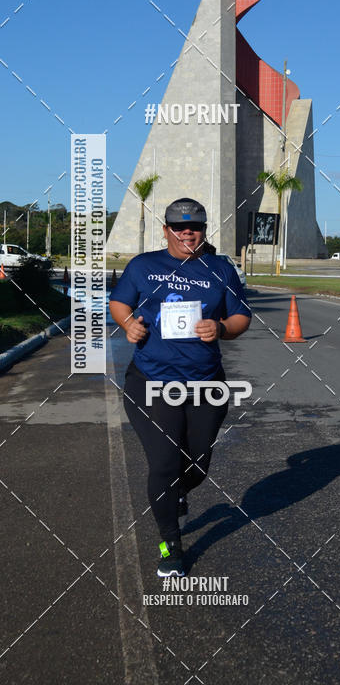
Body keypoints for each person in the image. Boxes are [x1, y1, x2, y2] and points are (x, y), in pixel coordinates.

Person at [109, 198, 251, 577]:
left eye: (196, 227)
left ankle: (178, 492)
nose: (188, 233)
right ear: (166, 229)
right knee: (165, 462)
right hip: (151, 382)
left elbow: (240, 316)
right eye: (179, 227)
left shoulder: (220, 268)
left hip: (205, 383)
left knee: (198, 464)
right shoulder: (144, 266)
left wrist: (221, 328)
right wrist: (128, 326)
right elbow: (119, 305)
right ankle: (170, 543)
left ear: (204, 230)